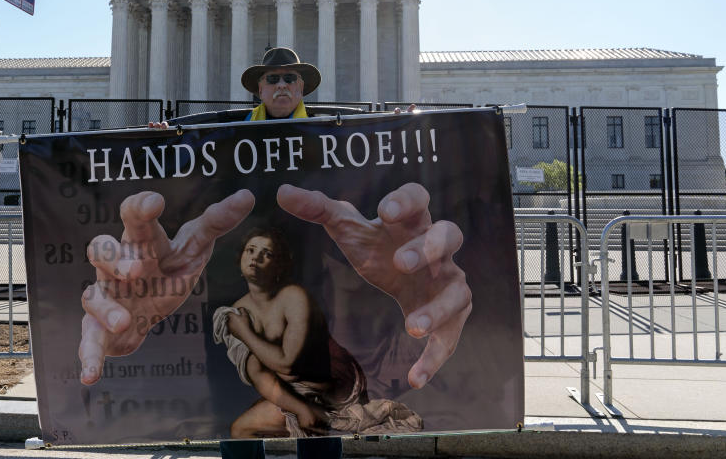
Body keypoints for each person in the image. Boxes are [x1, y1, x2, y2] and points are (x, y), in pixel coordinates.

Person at [83, 47, 472, 458]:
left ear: (302, 86)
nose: (282, 85)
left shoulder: (330, 131)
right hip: (232, 287)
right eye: (273, 78)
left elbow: (375, 158)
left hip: (307, 287)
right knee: (233, 409)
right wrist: (160, 135)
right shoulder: (226, 134)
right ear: (259, 89)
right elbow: (181, 152)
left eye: (290, 78)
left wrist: (397, 127)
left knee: (316, 411)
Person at [214, 228, 422, 439]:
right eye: (250, 250)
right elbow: (259, 375)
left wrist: (244, 332)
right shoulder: (236, 312)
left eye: (267, 253)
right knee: (241, 430)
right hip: (295, 392)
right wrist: (300, 408)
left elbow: (287, 363)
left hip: (334, 389)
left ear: (278, 265)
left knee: (311, 435)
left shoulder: (292, 297)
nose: (256, 258)